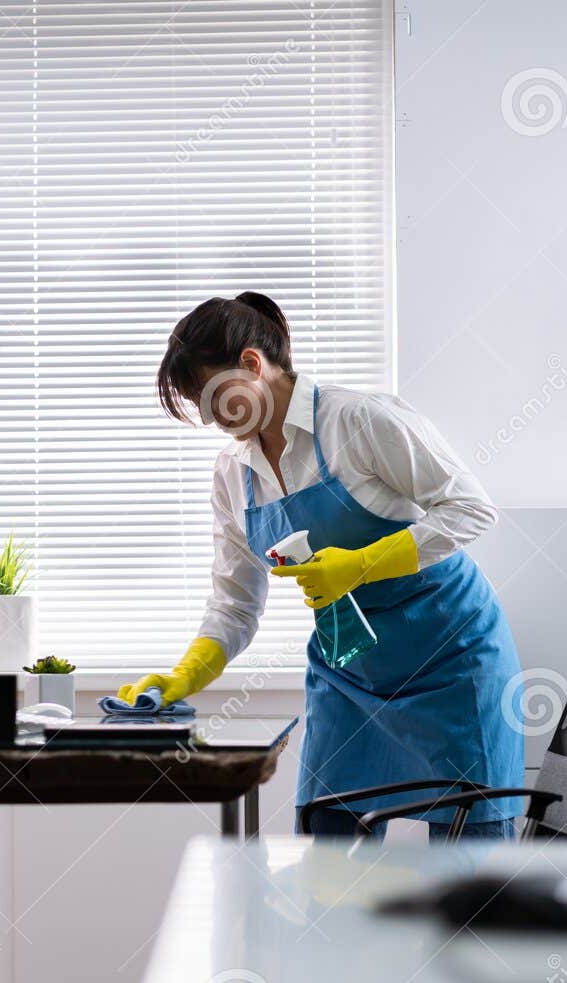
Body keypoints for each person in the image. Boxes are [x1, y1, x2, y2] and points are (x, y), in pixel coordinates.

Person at [116, 292, 523, 840]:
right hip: (350, 673)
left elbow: (472, 508)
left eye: (212, 399)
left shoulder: (358, 419)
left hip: (452, 659)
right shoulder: (233, 473)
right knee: (328, 869)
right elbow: (235, 602)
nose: (211, 419)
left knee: (468, 881)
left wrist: (361, 564)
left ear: (252, 366)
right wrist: (185, 675)